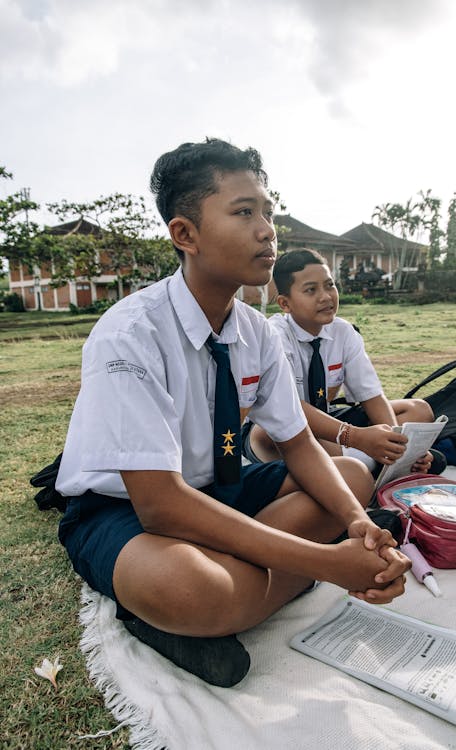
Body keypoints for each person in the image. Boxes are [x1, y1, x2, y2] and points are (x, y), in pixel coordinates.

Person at [54, 139, 410, 688]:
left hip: (219, 488)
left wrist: (356, 523)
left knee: (350, 476)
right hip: (121, 510)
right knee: (191, 587)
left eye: (266, 212)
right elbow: (160, 506)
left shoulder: (254, 332)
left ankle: (225, 598)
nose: (267, 229)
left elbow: (297, 443)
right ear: (185, 235)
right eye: (244, 213)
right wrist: (329, 564)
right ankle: (187, 606)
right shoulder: (130, 334)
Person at [242, 248, 444, 474]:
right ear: (284, 304)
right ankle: (368, 463)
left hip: (326, 420)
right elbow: (288, 408)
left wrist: (397, 440)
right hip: (281, 428)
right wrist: (355, 437)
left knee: (418, 410)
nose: (326, 296)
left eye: (330, 285)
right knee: (276, 432)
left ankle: (376, 460)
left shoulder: (344, 332)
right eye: (311, 290)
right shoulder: (275, 336)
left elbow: (372, 397)